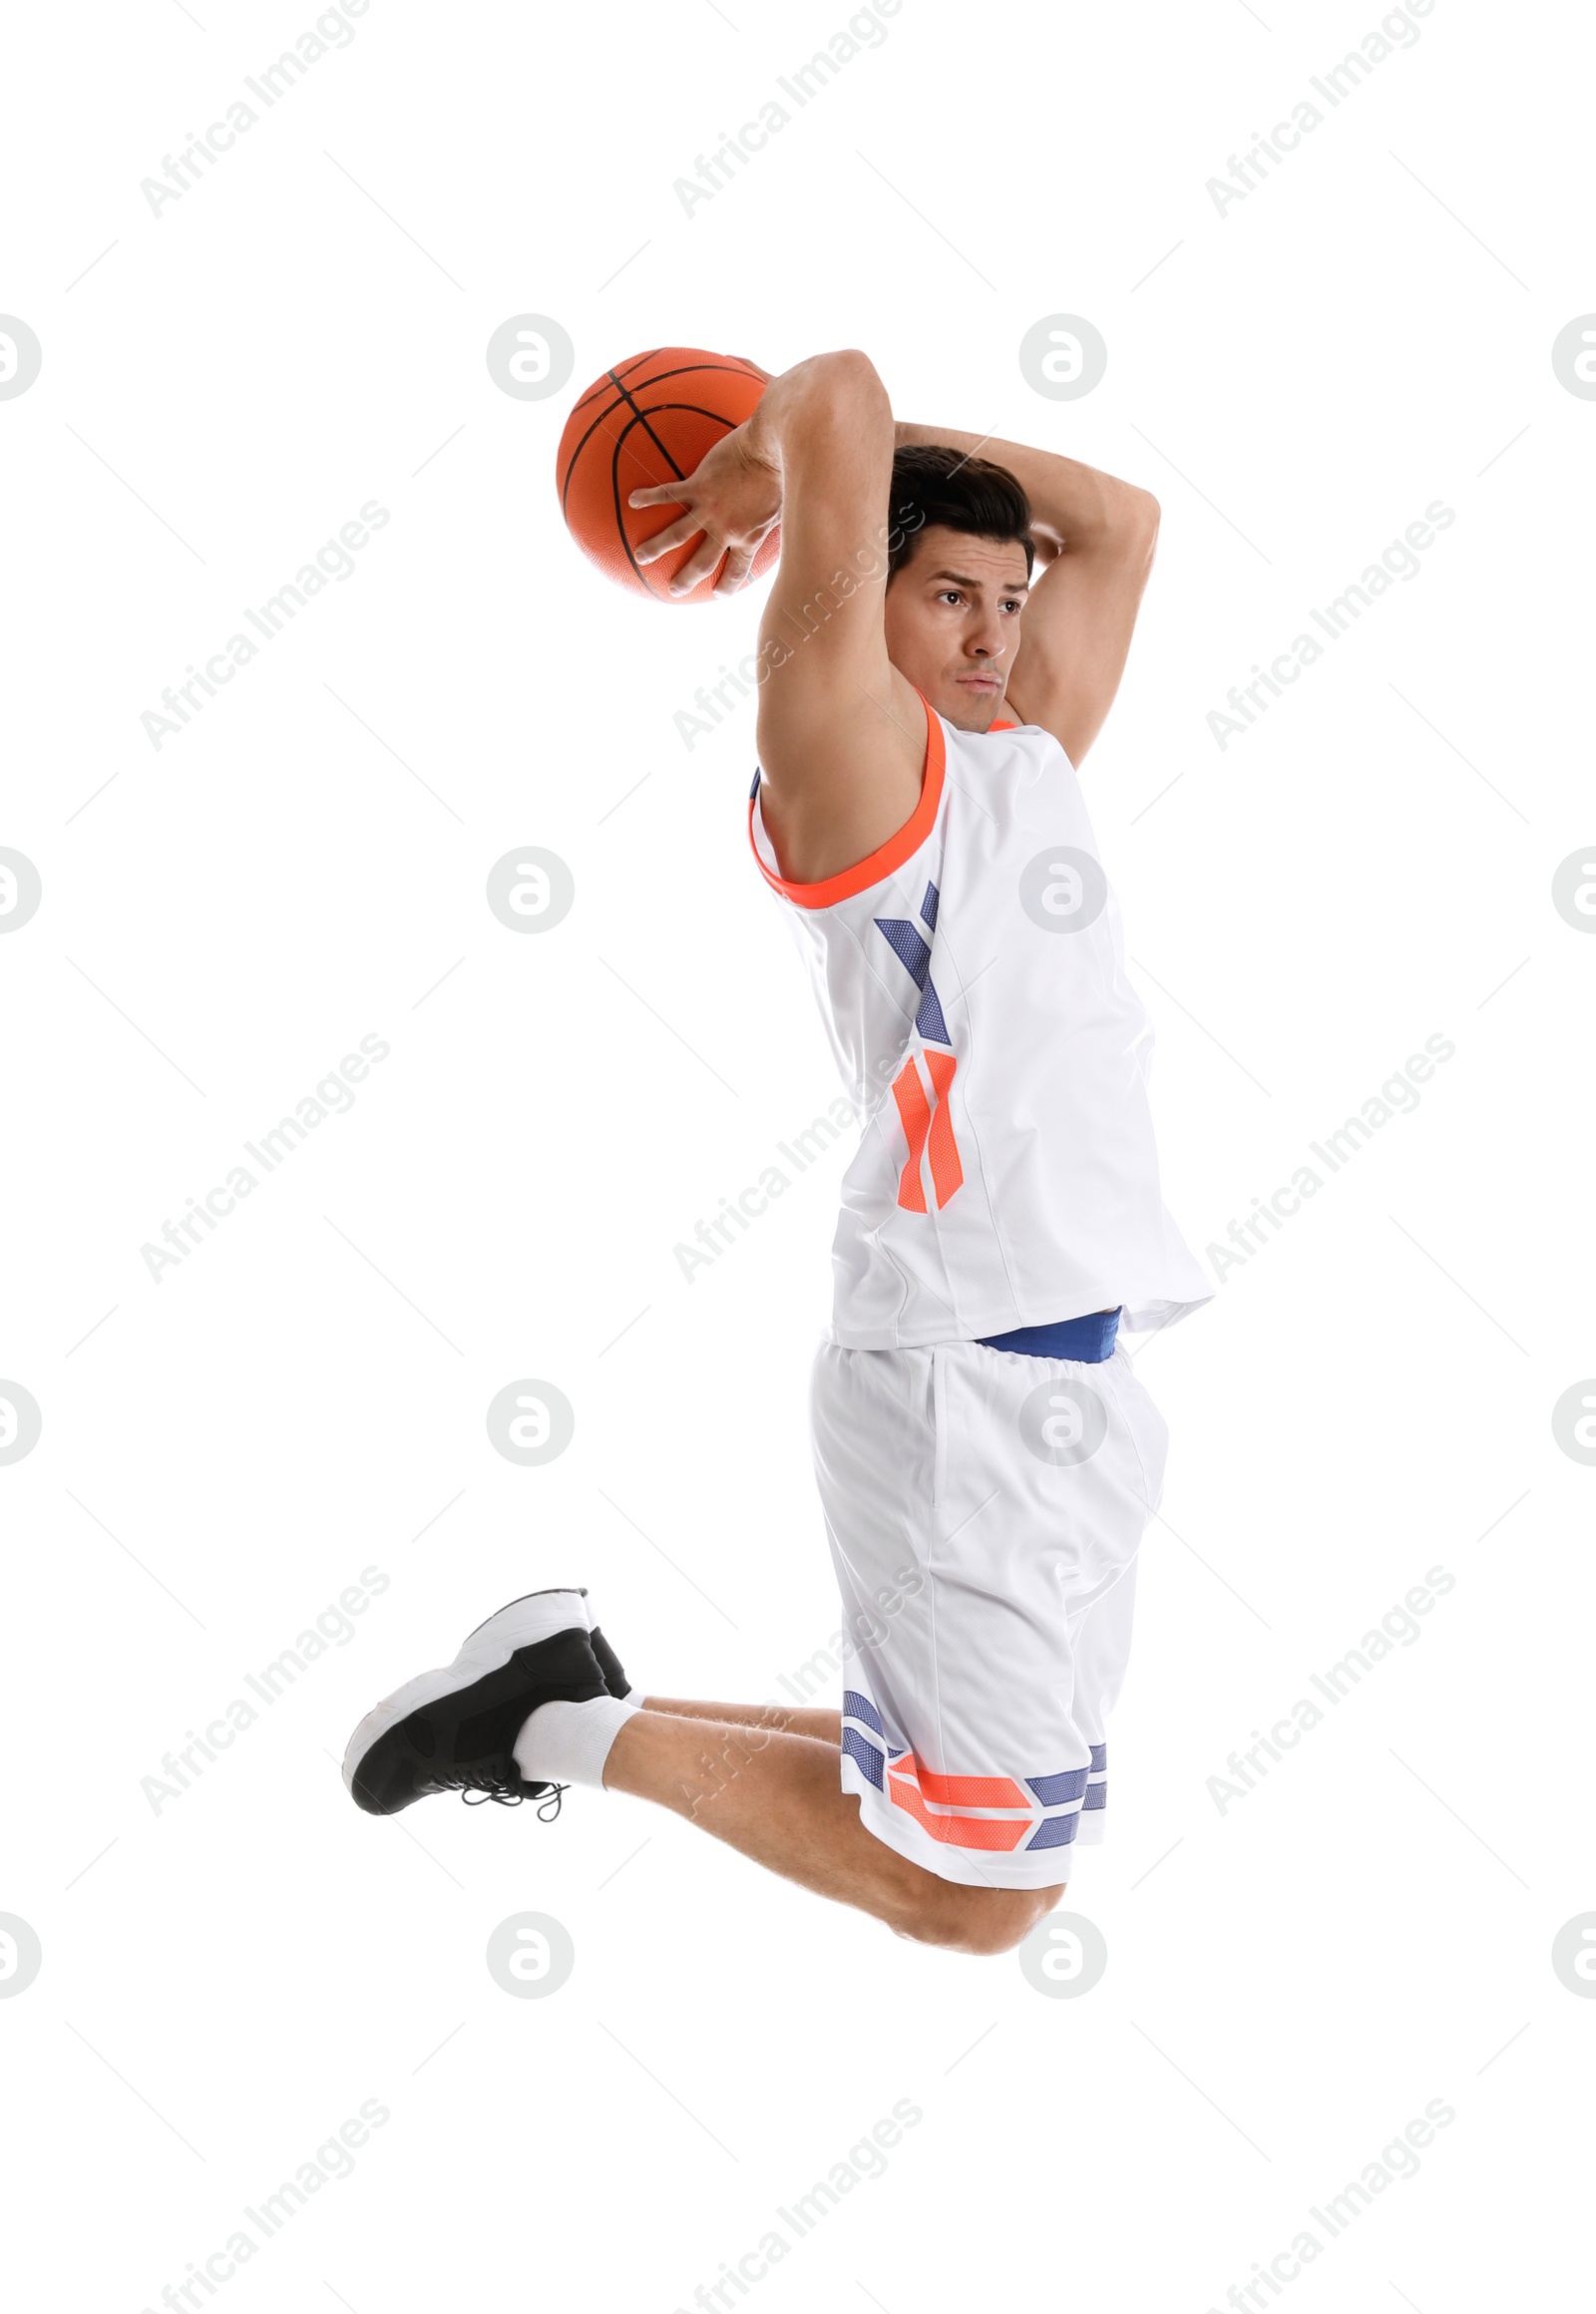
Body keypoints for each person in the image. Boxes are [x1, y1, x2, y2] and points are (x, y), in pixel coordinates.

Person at [342, 350, 1212, 1958]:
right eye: (949, 594)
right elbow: (843, 390)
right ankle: (545, 1731)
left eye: (1007, 603)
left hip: (1068, 1374)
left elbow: (1121, 519)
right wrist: (776, 464)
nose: (992, 633)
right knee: (982, 1896)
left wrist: (864, 475)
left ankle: (549, 1692)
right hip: (967, 1376)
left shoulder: (1013, 753)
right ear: (849, 601)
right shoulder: (850, 767)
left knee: (963, 1816)